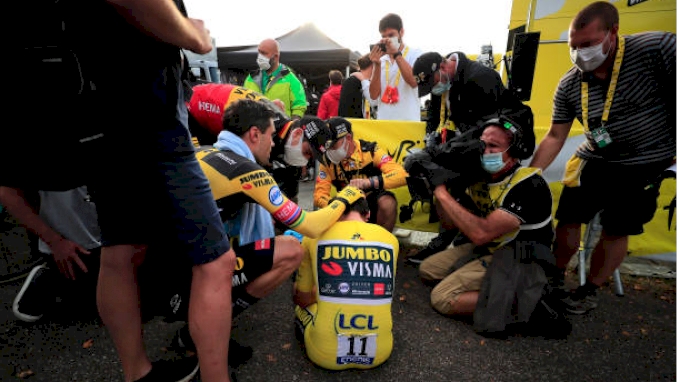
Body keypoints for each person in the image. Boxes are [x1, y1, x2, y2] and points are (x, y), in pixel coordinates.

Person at [64, 1, 238, 381]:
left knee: (122, 250)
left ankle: (137, 374)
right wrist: (193, 33)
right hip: (148, 115)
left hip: (99, 115)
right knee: (215, 262)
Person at [167, 99, 365, 355]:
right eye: (271, 135)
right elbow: (312, 226)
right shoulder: (248, 170)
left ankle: (200, 323)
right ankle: (204, 331)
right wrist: (345, 197)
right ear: (254, 134)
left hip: (160, 268)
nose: (272, 143)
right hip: (181, 283)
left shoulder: (207, 149)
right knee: (291, 250)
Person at [529, 1, 676, 314]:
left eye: (588, 44)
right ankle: (553, 276)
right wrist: (529, 174)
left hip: (645, 163)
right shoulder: (570, 84)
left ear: (614, 32)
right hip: (594, 159)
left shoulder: (657, 49)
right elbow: (555, 136)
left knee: (616, 228)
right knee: (568, 217)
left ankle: (589, 290)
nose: (580, 53)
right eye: (574, 46)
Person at [416, 115, 555, 328]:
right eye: (483, 144)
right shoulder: (479, 177)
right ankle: (495, 288)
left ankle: (529, 302)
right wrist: (441, 188)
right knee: (428, 270)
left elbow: (480, 233)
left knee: (443, 298)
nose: (486, 151)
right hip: (491, 248)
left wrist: (442, 193)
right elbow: (453, 224)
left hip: (521, 258)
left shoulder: (528, 184)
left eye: (494, 146)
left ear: (514, 152)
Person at [407, 50, 528, 264]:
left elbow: (487, 130)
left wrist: (443, 151)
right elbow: (443, 118)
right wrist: (432, 141)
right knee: (434, 178)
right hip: (466, 144)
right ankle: (449, 239)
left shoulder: (480, 77)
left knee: (451, 184)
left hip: (493, 147)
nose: (434, 90)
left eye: (433, 83)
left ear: (443, 67)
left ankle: (467, 243)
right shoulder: (445, 82)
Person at [293, 197, 399, 370]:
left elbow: (302, 299)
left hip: (324, 355)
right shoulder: (390, 239)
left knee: (301, 305)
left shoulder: (313, 237)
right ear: (368, 214)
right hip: (381, 353)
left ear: (333, 213)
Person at [186, 83, 316, 202]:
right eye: (306, 153)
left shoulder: (283, 129)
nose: (305, 160)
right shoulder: (269, 129)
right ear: (297, 134)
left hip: (219, 102)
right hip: (194, 109)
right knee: (204, 169)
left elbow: (287, 183)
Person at [0, 186, 101, 323]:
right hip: (73, 240)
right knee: (89, 307)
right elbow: (7, 192)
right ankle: (49, 277)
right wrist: (55, 241)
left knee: (128, 299)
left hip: (113, 233)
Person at [313, 117, 408, 233]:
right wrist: (335, 206)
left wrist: (369, 182)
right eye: (326, 146)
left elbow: (402, 174)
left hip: (371, 202)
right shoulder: (326, 160)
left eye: (333, 145)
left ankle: (381, 244)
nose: (329, 150)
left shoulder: (370, 150)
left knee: (388, 202)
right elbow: (319, 196)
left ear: (348, 138)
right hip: (346, 205)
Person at [368, 13, 422, 121]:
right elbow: (373, 96)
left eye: (391, 35)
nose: (387, 39)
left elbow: (414, 82)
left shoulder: (415, 54)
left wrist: (396, 55)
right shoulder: (381, 60)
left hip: (409, 123)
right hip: (384, 123)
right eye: (383, 36)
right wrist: (377, 65)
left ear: (401, 32)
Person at [243, 38, 308, 120]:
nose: (260, 57)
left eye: (264, 53)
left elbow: (299, 106)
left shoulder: (290, 78)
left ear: (276, 57)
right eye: (259, 52)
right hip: (255, 129)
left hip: (281, 129)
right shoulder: (251, 78)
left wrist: (292, 127)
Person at [338, 54, 374, 119]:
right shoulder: (352, 82)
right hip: (357, 126)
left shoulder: (368, 82)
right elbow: (345, 111)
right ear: (372, 65)